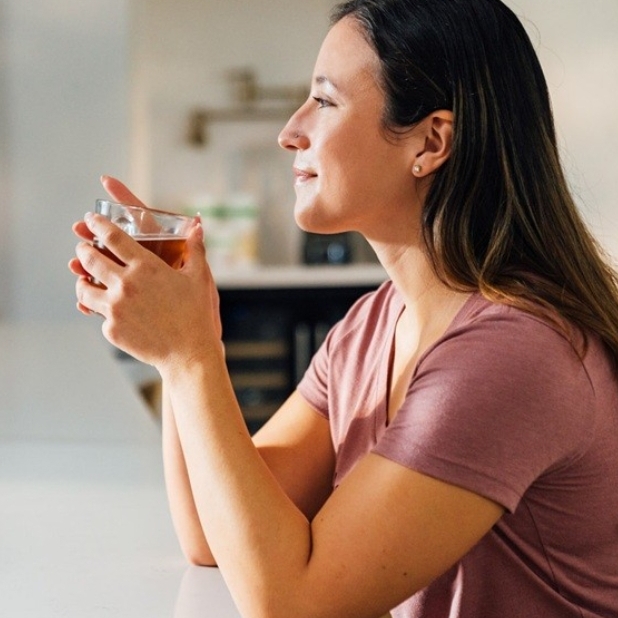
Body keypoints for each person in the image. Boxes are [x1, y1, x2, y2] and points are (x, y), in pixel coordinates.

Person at [69, 0, 618, 616]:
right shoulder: (375, 323)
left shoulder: (513, 354)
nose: (289, 131)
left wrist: (191, 354)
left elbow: (295, 602)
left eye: (325, 101)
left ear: (432, 140)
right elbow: (210, 534)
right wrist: (179, 352)